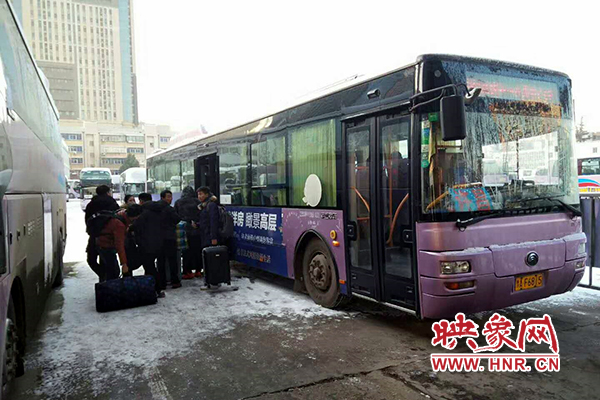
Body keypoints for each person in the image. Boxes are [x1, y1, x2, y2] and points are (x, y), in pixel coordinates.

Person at [130, 193, 167, 298]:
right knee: (159, 266)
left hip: (147, 244)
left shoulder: (143, 213)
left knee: (150, 267)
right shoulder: (160, 210)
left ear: (141, 201)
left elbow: (136, 226)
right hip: (160, 242)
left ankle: (156, 288)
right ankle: (158, 286)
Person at [94, 206, 142, 282]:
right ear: (134, 217)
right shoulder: (119, 225)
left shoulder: (122, 214)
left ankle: (106, 283)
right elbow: (119, 245)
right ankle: (110, 287)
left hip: (102, 243)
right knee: (113, 272)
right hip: (106, 246)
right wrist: (124, 264)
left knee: (110, 269)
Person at [85, 185, 119, 281]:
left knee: (91, 259)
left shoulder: (91, 204)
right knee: (108, 260)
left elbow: (87, 220)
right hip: (109, 237)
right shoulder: (112, 204)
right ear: (108, 192)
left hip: (94, 235)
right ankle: (109, 280)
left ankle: (102, 275)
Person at [174, 186, 202, 279]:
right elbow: (201, 214)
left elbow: (175, 216)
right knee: (197, 251)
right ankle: (198, 270)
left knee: (186, 252)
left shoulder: (178, 202)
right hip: (196, 230)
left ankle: (187, 271)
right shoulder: (197, 202)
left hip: (184, 230)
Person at [157, 190, 182, 289]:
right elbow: (177, 219)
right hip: (169, 237)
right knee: (172, 260)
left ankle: (162, 282)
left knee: (160, 261)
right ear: (162, 197)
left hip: (158, 238)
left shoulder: (155, 208)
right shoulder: (169, 209)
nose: (170, 199)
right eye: (168, 197)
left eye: (171, 197)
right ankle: (174, 281)